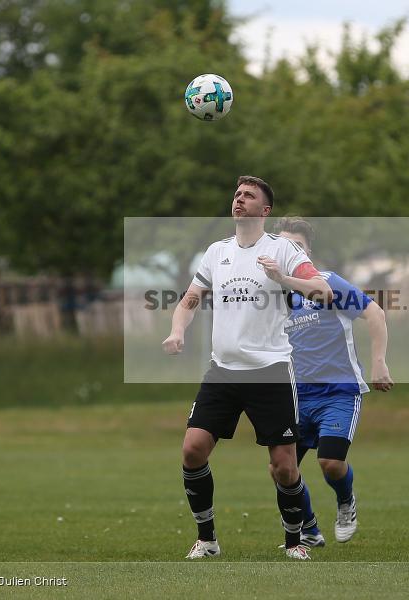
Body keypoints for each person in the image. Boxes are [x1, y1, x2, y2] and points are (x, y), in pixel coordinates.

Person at [162, 176, 332, 561]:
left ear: (265, 211)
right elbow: (189, 300)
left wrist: (282, 278)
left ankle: (293, 542)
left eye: (249, 196)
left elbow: (324, 291)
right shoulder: (216, 252)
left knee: (284, 468)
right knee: (192, 450)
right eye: (237, 194)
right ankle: (207, 540)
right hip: (222, 371)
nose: (239, 200)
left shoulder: (283, 249)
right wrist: (176, 331)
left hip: (270, 370)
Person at [275, 216, 393, 547]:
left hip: (338, 391)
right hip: (295, 396)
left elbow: (375, 313)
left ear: (308, 251)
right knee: (280, 469)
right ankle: (309, 528)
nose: (291, 252)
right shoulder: (277, 296)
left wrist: (379, 363)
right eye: (284, 246)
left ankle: (345, 502)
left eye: (296, 246)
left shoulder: (328, 283)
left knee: (330, 461)